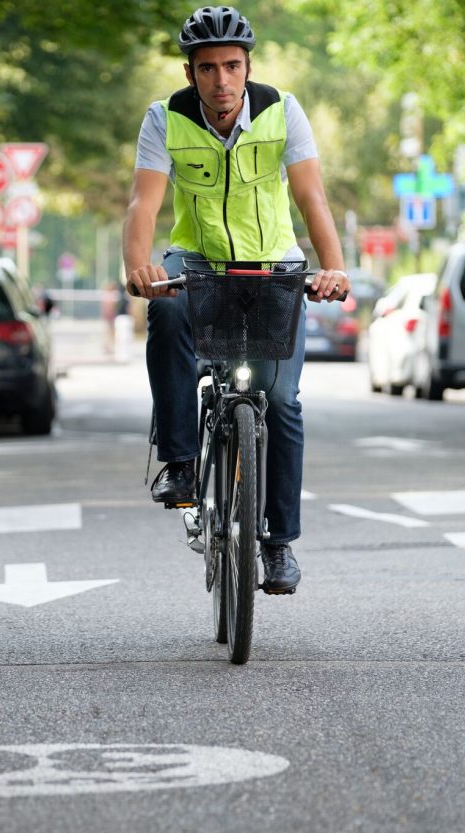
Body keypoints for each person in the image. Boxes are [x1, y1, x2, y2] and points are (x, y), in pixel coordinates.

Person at [123, 6, 351, 595]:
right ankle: (178, 463)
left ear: (247, 68)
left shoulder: (282, 111)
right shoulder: (165, 119)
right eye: (206, 69)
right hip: (196, 260)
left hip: (274, 262)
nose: (220, 80)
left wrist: (335, 267)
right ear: (190, 72)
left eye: (231, 66)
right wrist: (138, 268)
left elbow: (312, 198)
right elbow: (142, 205)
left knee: (281, 397)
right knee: (167, 309)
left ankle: (278, 545)